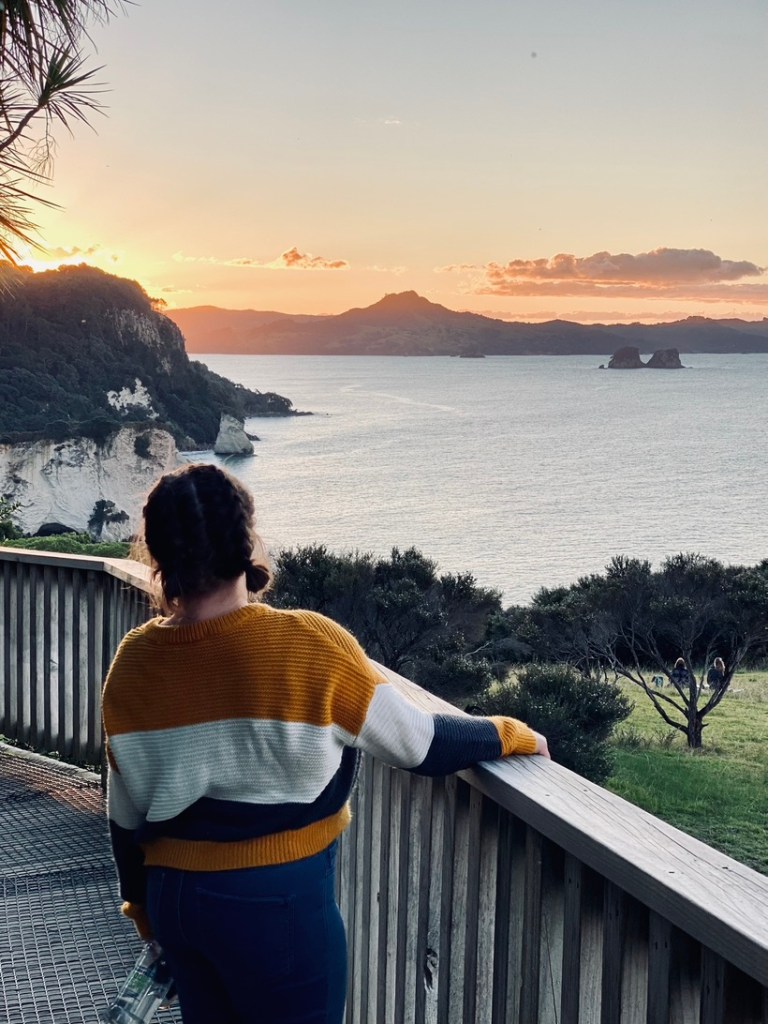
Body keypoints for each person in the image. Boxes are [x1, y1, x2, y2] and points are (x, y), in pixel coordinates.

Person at [102, 463, 550, 1024]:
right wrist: (511, 734)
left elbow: (123, 815)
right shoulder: (308, 644)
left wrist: (143, 910)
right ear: (246, 543)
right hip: (275, 905)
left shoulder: (133, 661)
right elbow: (419, 744)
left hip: (175, 902)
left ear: (159, 557)